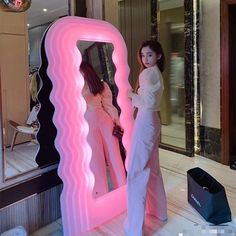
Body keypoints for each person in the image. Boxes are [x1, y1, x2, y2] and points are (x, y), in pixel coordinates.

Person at [124, 40, 168, 235]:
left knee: (135, 171)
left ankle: (135, 227)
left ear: (158, 55)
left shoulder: (147, 74)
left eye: (149, 54)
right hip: (151, 122)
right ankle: (159, 212)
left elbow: (147, 102)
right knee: (153, 170)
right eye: (143, 55)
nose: (145, 58)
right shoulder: (156, 73)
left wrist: (131, 95)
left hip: (146, 122)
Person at [80, 60, 126, 198]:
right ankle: (104, 191)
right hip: (93, 122)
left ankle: (119, 188)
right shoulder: (78, 86)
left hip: (99, 121)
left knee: (111, 157)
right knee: (98, 159)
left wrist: (117, 122)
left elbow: (109, 106)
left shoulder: (99, 85)